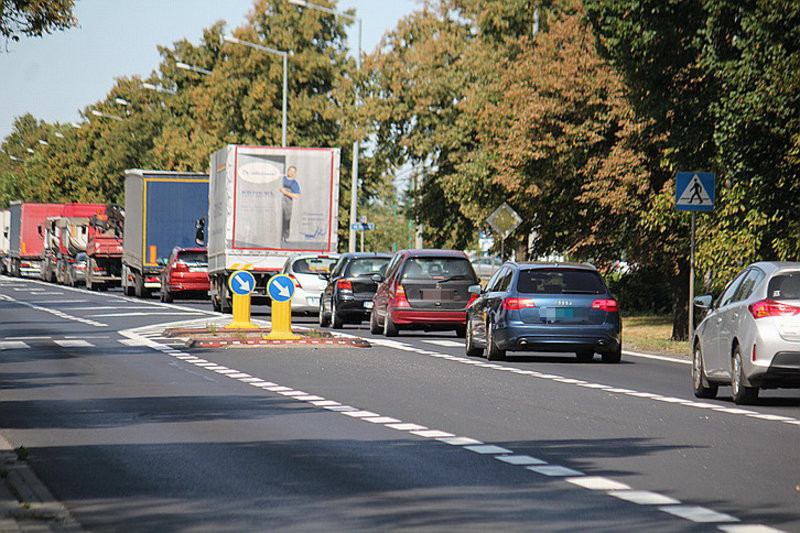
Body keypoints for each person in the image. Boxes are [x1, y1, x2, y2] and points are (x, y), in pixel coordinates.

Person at [280, 166, 301, 244]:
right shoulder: (281, 180)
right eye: (290, 171)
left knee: (286, 220)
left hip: (287, 203)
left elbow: (297, 196)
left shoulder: (294, 183)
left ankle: (285, 237)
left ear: (294, 173)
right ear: (287, 171)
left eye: (293, 171)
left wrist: (286, 193)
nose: (291, 173)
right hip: (278, 202)